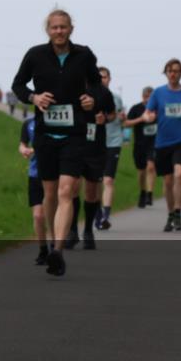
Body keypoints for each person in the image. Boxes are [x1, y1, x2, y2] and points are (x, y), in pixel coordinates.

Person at [12, 8, 101, 276]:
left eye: (63, 27)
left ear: (71, 29)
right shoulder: (35, 55)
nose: (59, 31)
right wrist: (34, 98)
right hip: (45, 135)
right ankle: (53, 241)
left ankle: (58, 251)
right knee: (50, 193)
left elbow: (96, 85)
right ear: (48, 30)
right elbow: (18, 85)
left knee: (66, 191)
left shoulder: (84, 55)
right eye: (54, 27)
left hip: (74, 133)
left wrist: (91, 98)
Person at [142, 59, 181, 232]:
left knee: (180, 174)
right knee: (167, 182)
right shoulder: (158, 93)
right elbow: (147, 112)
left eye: (176, 71)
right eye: (170, 71)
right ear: (166, 73)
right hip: (162, 142)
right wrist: (148, 118)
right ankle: (170, 215)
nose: (173, 74)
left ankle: (178, 212)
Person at [79, 77, 117, 248]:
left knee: (91, 190)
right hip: (72, 143)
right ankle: (71, 230)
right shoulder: (69, 84)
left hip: (95, 145)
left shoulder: (103, 92)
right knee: (70, 188)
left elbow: (112, 113)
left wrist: (105, 119)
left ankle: (87, 230)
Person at [19, 116, 52, 265]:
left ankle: (55, 248)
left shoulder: (56, 120)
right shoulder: (28, 123)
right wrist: (24, 150)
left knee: (52, 214)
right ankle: (43, 250)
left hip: (53, 175)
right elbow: (22, 144)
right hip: (35, 174)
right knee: (38, 216)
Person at [96, 66, 124, 230]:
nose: (102, 79)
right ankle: (98, 212)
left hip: (113, 141)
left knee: (108, 179)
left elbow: (120, 118)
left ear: (110, 79)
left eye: (105, 77)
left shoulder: (116, 98)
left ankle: (106, 215)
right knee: (96, 181)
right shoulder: (90, 96)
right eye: (99, 77)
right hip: (95, 143)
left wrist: (121, 118)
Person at [123, 86, 157, 207]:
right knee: (141, 171)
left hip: (154, 143)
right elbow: (126, 123)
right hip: (139, 144)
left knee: (151, 167)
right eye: (147, 96)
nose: (149, 99)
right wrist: (141, 119)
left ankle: (150, 193)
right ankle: (143, 192)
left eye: (151, 97)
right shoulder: (136, 108)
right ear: (143, 97)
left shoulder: (158, 109)